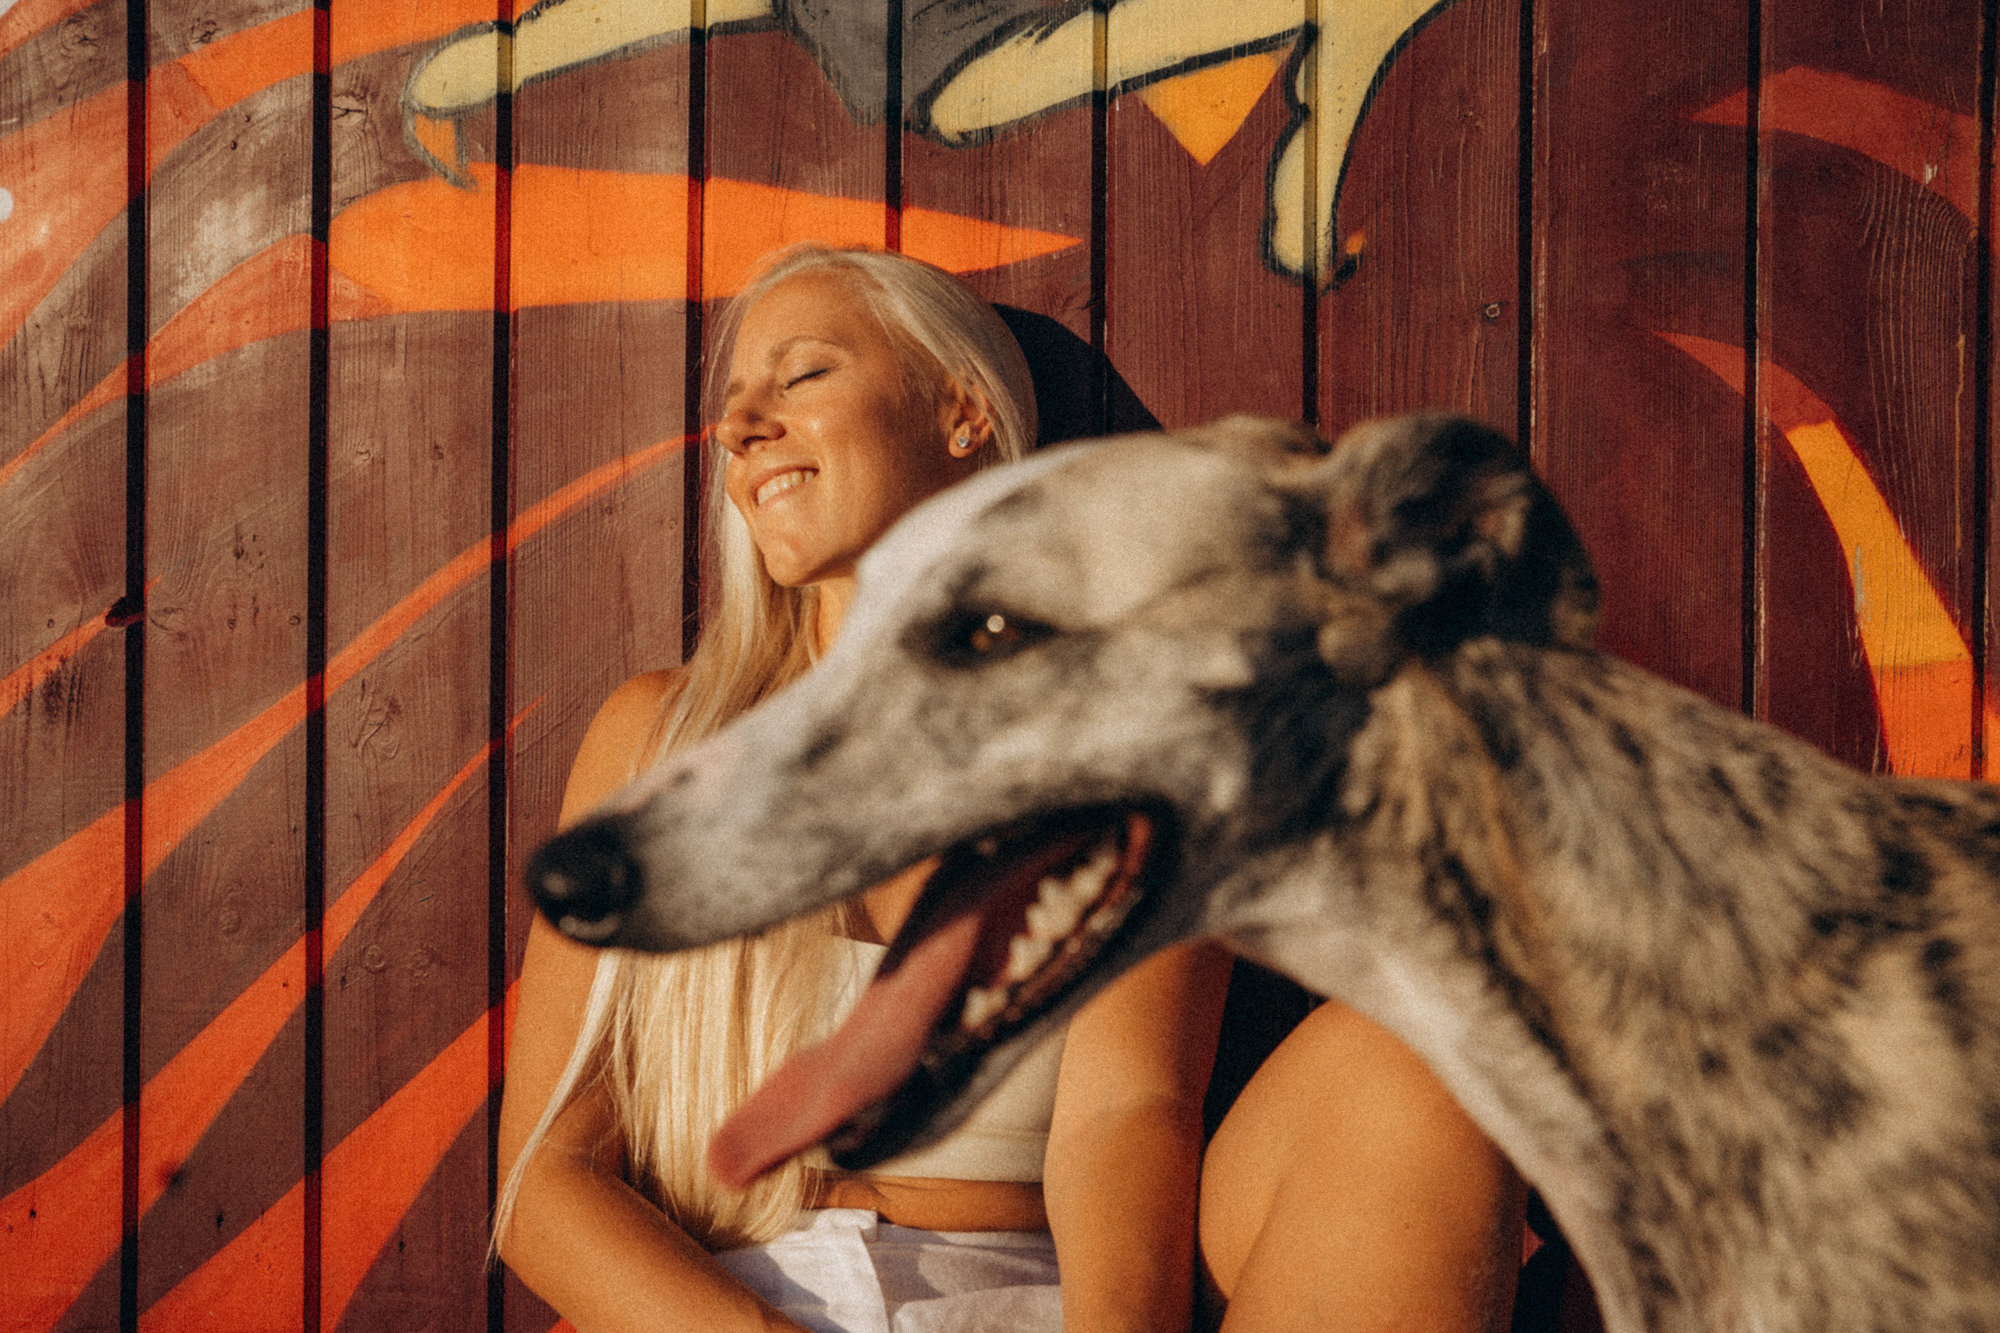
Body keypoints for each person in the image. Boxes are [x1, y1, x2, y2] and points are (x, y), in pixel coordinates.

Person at [495, 243, 1526, 1333]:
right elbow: (545, 1177)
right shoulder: (656, 743)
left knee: (1422, 1051)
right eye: (736, 401)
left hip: (1024, 1301)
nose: (741, 426)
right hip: (718, 1309)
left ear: (962, 413)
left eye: (801, 375)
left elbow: (1128, 1112)